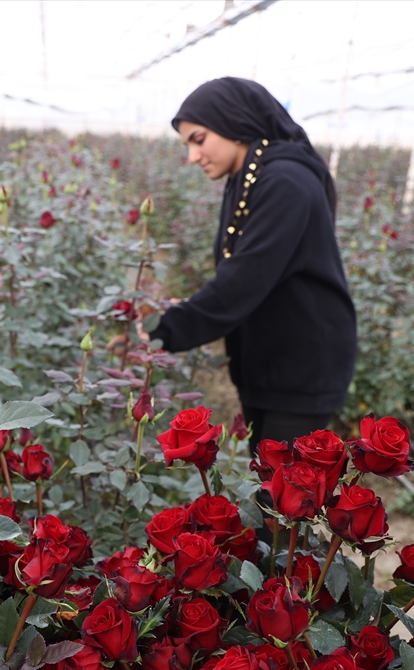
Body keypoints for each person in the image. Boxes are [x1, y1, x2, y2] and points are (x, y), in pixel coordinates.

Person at [147, 77, 356, 450]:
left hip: (301, 369)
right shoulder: (249, 177)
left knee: (284, 497)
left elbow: (243, 280)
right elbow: (240, 271)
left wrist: (159, 330)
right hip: (272, 361)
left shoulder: (286, 182)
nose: (193, 156)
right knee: (266, 484)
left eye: (198, 139)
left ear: (234, 123)